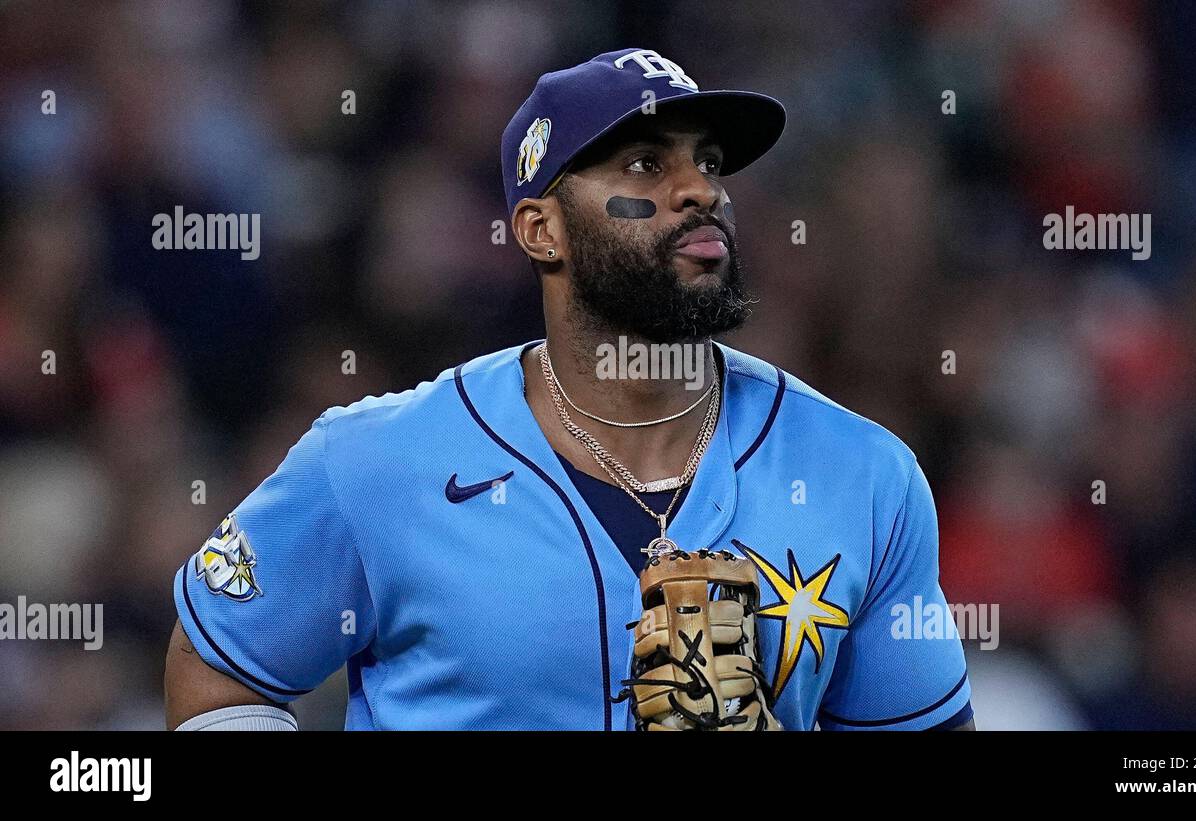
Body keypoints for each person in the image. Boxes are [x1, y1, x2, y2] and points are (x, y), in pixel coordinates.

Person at [164, 48, 974, 731]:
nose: (700, 190)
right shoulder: (375, 461)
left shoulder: (865, 473)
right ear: (539, 229)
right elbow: (217, 670)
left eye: (710, 163)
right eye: (648, 164)